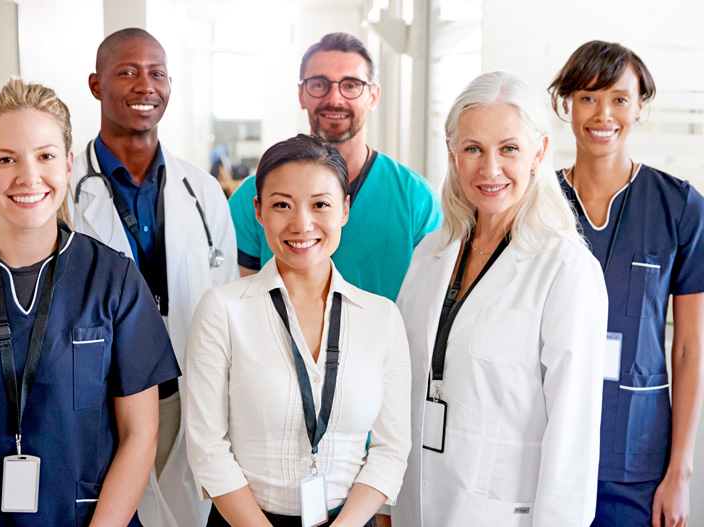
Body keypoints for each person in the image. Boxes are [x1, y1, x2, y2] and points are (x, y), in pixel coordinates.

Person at [0, 78, 177, 526]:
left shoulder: (115, 280)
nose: (28, 177)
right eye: (6, 159)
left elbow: (140, 433)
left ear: (68, 164)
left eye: (46, 156)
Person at [393, 71, 608, 526]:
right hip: (416, 504)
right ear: (452, 154)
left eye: (509, 148)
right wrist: (389, 504)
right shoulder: (431, 254)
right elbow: (401, 389)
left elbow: (573, 438)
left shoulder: (566, 270)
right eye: (473, 149)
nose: (490, 169)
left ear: (539, 153)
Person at [185, 134, 411, 527]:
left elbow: (392, 450)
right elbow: (206, 448)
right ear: (258, 211)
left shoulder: (381, 317)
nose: (301, 224)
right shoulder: (223, 310)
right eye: (281, 205)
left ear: (345, 209)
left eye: (320, 204)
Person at [70, 28, 239, 527]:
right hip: (102, 393)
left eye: (157, 73)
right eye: (127, 72)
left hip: (187, 389)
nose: (146, 85)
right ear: (96, 85)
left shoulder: (203, 191)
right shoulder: (64, 195)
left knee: (182, 504)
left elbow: (225, 300)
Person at [549, 41, 704, 527]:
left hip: (635, 459)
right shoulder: (537, 205)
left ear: (639, 106)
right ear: (567, 103)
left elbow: (689, 347)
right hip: (546, 447)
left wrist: (679, 472)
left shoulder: (678, 207)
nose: (603, 113)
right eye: (588, 97)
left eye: (619, 98)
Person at [229, 32, 441, 301]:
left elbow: (430, 308)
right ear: (301, 94)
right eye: (319, 84)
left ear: (373, 96)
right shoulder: (256, 195)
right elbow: (239, 305)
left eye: (351, 85)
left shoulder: (416, 200)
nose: (335, 98)